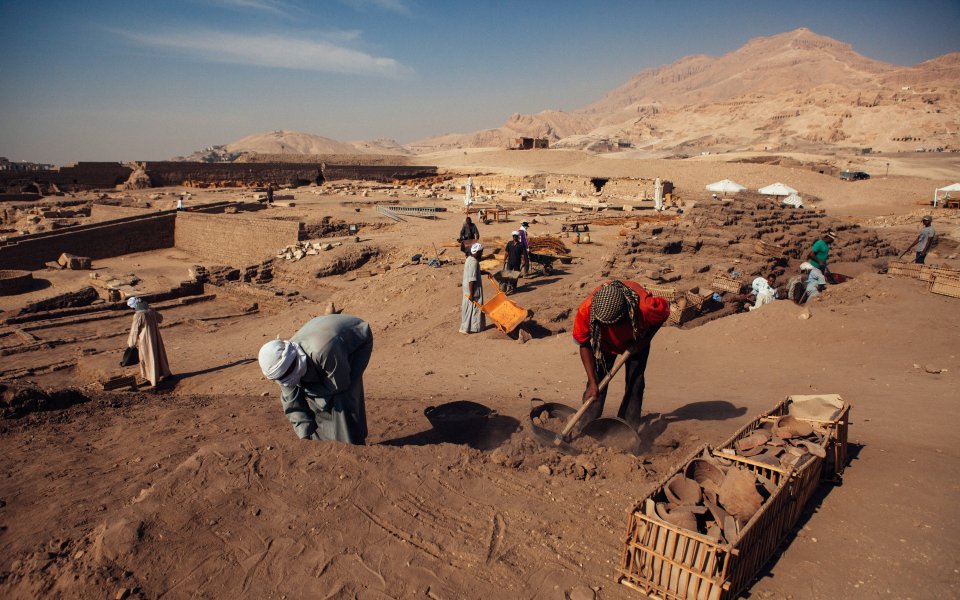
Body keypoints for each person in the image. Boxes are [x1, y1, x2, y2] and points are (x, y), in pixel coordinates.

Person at [258, 314, 373, 444]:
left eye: (288, 373)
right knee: (314, 395)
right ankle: (320, 441)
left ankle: (353, 443)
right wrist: (305, 434)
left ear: (294, 359)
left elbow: (340, 383)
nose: (286, 380)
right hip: (321, 334)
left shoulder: (324, 351)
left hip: (356, 340)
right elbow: (291, 401)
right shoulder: (280, 368)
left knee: (342, 397)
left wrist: (314, 396)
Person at [572, 280, 671, 429]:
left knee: (634, 384)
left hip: (636, 342)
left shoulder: (645, 307)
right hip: (603, 343)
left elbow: (664, 311)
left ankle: (626, 428)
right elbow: (584, 343)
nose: (610, 327)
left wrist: (644, 341)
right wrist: (592, 382)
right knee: (596, 386)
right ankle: (586, 425)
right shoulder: (587, 309)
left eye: (614, 323)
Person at [126, 297, 172, 387]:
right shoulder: (150, 310)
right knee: (158, 355)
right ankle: (166, 373)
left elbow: (135, 330)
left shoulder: (138, 315)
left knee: (147, 358)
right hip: (156, 337)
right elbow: (160, 319)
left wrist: (131, 344)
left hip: (145, 340)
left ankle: (151, 378)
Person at [460, 243, 485, 334]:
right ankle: (471, 328)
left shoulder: (469, 259)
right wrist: (471, 294)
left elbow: (475, 272)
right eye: (481, 252)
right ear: (477, 252)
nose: (482, 254)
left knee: (468, 307)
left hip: (467, 287)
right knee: (473, 308)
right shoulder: (474, 262)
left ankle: (466, 327)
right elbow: (472, 279)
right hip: (472, 289)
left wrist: (485, 272)